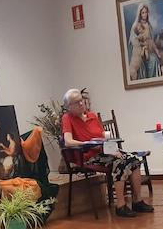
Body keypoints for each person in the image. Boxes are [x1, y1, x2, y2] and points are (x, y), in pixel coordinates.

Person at [61, 88, 154, 217]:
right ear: (69, 107)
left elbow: (104, 136)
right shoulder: (67, 118)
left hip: (103, 151)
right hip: (88, 156)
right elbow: (68, 141)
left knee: (134, 160)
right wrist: (87, 143)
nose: (81, 104)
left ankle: (137, 201)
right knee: (120, 163)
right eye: (77, 102)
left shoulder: (92, 116)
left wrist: (113, 150)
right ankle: (120, 205)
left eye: (81, 100)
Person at [127, 3, 163, 80]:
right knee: (142, 63)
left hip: (149, 49)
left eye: (146, 12)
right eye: (143, 12)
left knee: (154, 60)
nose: (145, 14)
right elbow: (133, 40)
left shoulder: (149, 25)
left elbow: (151, 40)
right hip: (139, 51)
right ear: (140, 13)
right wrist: (141, 45)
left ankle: (155, 80)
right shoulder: (137, 25)